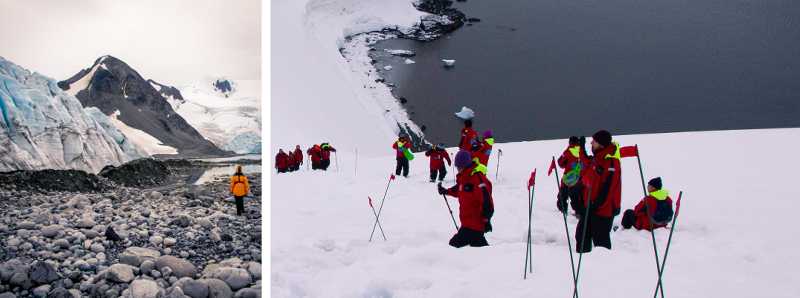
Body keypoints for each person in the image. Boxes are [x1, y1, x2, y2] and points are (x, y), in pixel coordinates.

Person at [575, 130, 621, 253]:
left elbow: (609, 188)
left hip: (602, 211)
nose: (591, 143)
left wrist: (596, 204)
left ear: (601, 144)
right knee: (581, 236)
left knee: (601, 243)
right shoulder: (597, 158)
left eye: (594, 141)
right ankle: (584, 267)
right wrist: (581, 148)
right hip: (589, 207)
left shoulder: (610, 161)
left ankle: (604, 268)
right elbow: (586, 164)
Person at [437, 150, 494, 248]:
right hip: (467, 223)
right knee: (480, 248)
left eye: (460, 167)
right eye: (457, 166)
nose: (458, 169)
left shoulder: (477, 179)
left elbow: (487, 201)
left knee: (453, 245)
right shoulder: (464, 178)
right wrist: (445, 191)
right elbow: (459, 189)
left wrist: (486, 220)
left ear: (467, 165)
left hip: (474, 225)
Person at [556, 136, 590, 217]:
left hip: (569, 178)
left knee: (563, 195)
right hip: (580, 179)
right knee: (577, 196)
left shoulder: (568, 151)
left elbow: (560, 162)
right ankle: (579, 212)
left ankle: (563, 211)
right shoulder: (581, 150)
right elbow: (587, 162)